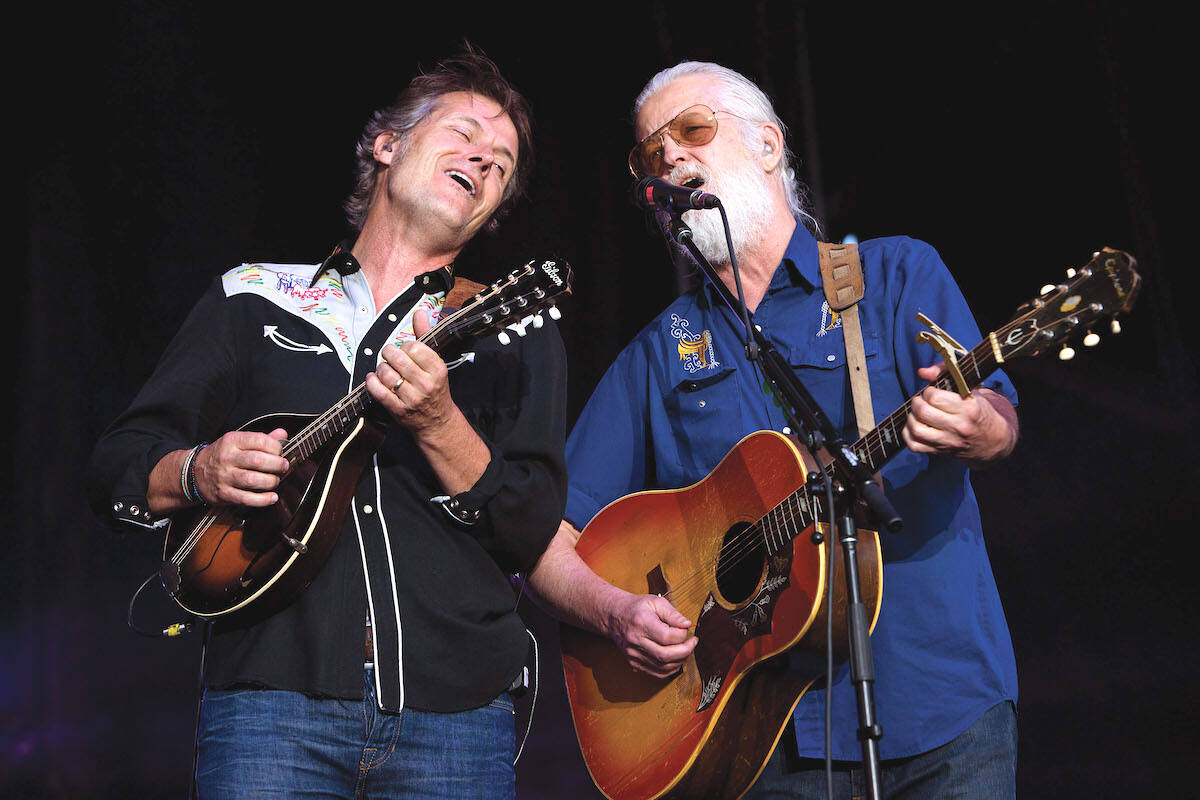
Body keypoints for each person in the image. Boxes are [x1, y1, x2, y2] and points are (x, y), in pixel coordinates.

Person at [527, 61, 1020, 798]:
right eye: (649, 153)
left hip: (942, 700)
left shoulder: (893, 274)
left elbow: (1000, 420)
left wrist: (981, 423)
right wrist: (618, 611)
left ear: (767, 144)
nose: (671, 157)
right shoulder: (661, 352)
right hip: (764, 738)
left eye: (692, 128)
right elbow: (541, 535)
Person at [88, 48, 567, 800]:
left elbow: (531, 523)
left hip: (458, 719)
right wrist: (198, 469)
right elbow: (118, 462)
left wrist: (441, 425)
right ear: (387, 145)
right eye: (464, 132)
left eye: (502, 164)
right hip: (270, 708)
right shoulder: (253, 296)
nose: (483, 158)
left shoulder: (511, 326)